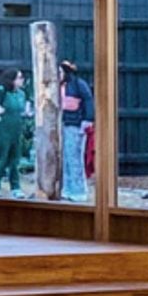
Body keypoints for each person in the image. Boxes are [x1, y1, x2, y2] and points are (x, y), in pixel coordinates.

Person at [0, 68, 31, 196]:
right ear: (12, 79)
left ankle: (15, 187)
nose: (22, 80)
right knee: (0, 157)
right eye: (19, 77)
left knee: (15, 159)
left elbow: (23, 110)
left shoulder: (22, 94)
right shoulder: (1, 92)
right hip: (2, 130)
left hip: (16, 130)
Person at [60, 58, 95, 202]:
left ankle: (79, 191)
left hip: (75, 125)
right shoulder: (60, 86)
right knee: (65, 159)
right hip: (63, 124)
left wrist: (87, 121)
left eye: (60, 72)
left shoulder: (79, 85)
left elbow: (88, 101)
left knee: (75, 158)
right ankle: (67, 188)